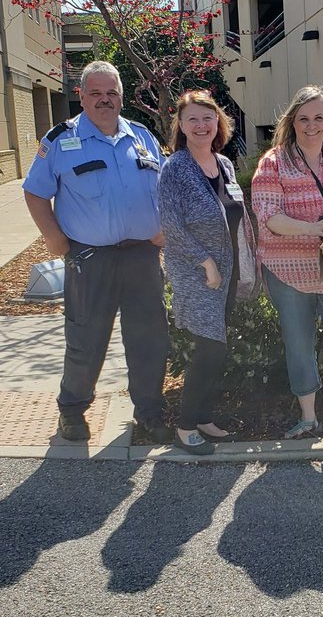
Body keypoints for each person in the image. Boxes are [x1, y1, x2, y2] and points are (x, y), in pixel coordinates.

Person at [23, 60, 169, 443]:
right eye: (96, 93)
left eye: (112, 93)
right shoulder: (59, 140)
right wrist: (54, 240)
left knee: (148, 338)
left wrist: (162, 230)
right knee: (86, 338)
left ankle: (150, 413)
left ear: (121, 96)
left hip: (141, 256)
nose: (105, 100)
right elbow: (35, 192)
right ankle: (72, 410)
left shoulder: (142, 136)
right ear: (82, 97)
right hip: (90, 257)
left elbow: (164, 187)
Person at [251, 85, 323, 448]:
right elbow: (268, 216)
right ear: (292, 123)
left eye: (319, 117)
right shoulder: (274, 161)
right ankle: (307, 417)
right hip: (289, 270)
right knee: (298, 344)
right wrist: (311, 228)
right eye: (303, 118)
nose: (311, 125)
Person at [158, 90, 256, 457]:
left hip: (227, 272)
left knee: (216, 349)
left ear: (219, 123)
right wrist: (206, 262)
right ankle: (185, 426)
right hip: (197, 274)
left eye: (208, 118)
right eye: (192, 119)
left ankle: (203, 418)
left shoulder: (224, 164)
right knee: (208, 351)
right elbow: (171, 225)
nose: (201, 125)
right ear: (181, 126)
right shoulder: (174, 169)